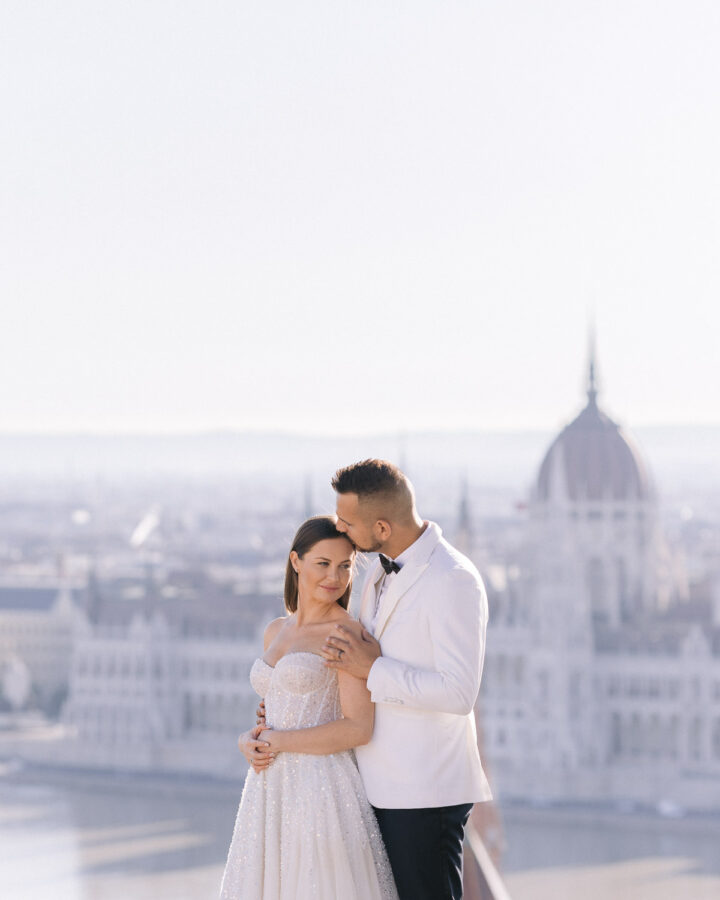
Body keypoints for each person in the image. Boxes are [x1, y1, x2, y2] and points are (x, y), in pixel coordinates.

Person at [321, 459, 492, 900]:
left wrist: (373, 669)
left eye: (347, 521)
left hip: (425, 790)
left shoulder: (453, 579)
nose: (339, 529)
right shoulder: (378, 570)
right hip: (376, 782)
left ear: (381, 526)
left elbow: (459, 692)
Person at [219, 515, 398, 900]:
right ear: (296, 561)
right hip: (268, 790)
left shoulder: (347, 635)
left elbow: (358, 728)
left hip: (322, 790)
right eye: (323, 564)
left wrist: (278, 740)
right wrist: (248, 741)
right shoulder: (275, 629)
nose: (334, 576)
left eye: (345, 566)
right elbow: (278, 707)